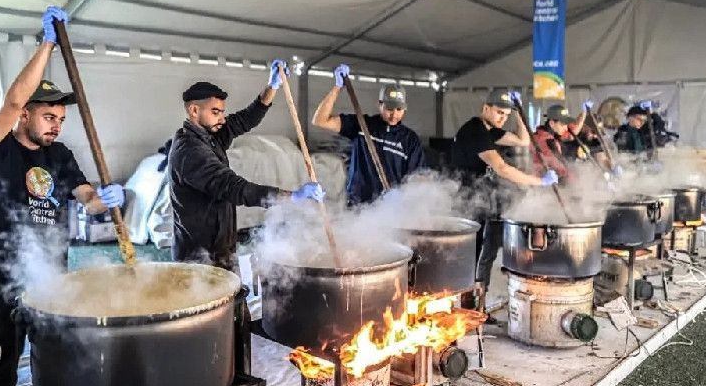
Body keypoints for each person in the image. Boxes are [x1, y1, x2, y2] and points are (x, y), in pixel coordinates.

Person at [0, 6, 125, 386]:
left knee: (54, 361)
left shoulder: (60, 154)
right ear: (25, 116)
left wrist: (106, 198)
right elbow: (11, 101)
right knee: (0, 368)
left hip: (51, 280)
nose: (56, 126)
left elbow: (86, 197)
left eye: (60, 119)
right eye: (48, 117)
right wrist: (47, 46)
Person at [169, 60, 324, 270]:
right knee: (216, 303)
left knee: (234, 299)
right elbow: (234, 187)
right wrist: (291, 197)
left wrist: (272, 87)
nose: (222, 119)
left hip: (220, 250)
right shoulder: (190, 151)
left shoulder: (208, 136)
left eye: (222, 112)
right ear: (194, 110)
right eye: (216, 112)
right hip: (199, 261)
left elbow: (243, 120)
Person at [450, 90, 558, 323]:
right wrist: (539, 182)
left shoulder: (491, 130)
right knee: (469, 258)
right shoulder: (475, 130)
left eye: (505, 114)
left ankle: (473, 310)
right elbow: (503, 169)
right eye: (499, 112)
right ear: (485, 108)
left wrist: (518, 111)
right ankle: (464, 312)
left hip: (478, 199)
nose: (502, 118)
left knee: (477, 256)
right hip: (465, 201)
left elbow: (522, 140)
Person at [311, 64, 426, 206]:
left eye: (399, 109)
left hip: (392, 210)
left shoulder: (410, 139)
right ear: (380, 105)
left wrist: (403, 196)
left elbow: (418, 177)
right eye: (389, 108)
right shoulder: (362, 125)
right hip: (358, 207)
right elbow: (320, 120)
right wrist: (337, 87)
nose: (394, 114)